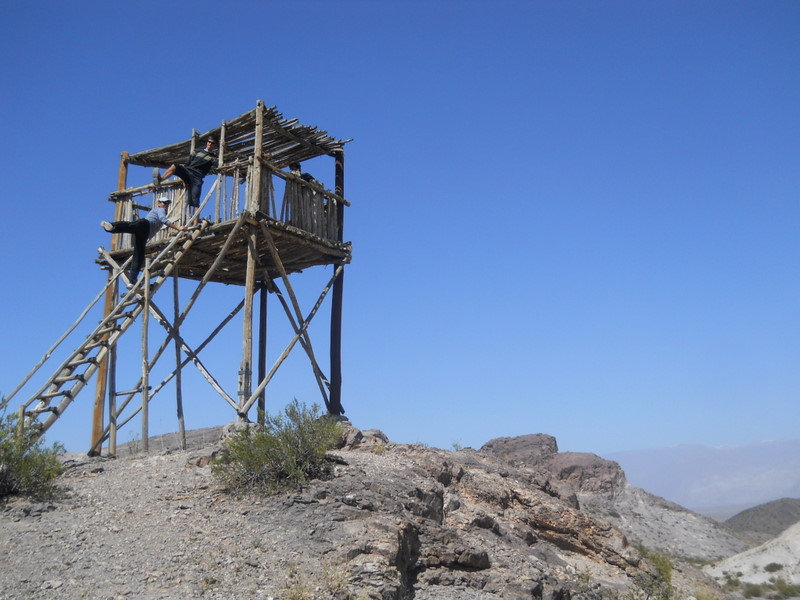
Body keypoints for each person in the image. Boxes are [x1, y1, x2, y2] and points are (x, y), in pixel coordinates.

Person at [100, 196, 187, 282]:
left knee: (138, 254)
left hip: (145, 233)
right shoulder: (160, 209)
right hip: (145, 225)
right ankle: (112, 226)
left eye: (167, 203)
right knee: (130, 226)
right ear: (159, 203)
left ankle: (132, 280)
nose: (166, 205)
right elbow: (163, 220)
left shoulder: (160, 211)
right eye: (164, 203)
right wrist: (178, 228)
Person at [153, 136, 218, 225]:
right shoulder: (198, 151)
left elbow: (219, 164)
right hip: (188, 171)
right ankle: (160, 180)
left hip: (197, 177)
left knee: (195, 201)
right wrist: (184, 178)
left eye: (212, 143)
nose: (210, 144)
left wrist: (223, 148)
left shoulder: (213, 157)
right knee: (174, 166)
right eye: (209, 142)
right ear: (207, 142)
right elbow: (188, 162)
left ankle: (195, 224)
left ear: (215, 146)